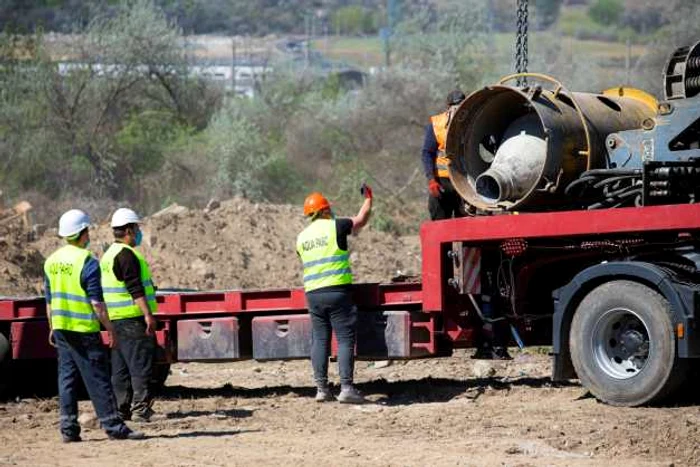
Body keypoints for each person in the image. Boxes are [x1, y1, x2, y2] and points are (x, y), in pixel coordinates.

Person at [44, 209, 143, 442]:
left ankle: (68, 429)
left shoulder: (51, 262)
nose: (88, 235)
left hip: (61, 327)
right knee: (97, 378)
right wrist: (110, 329)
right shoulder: (87, 262)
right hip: (84, 329)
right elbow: (97, 304)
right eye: (87, 230)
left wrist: (51, 326)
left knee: (66, 378)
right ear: (81, 233)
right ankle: (114, 427)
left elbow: (49, 300)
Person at [295, 185, 373, 404]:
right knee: (345, 339)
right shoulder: (335, 226)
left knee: (320, 339)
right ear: (325, 210)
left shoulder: (301, 237)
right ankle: (346, 388)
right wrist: (368, 199)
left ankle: (321, 389)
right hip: (337, 291)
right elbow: (360, 220)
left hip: (313, 294)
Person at [100, 208, 158, 422]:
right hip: (132, 318)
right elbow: (135, 289)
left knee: (121, 368)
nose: (139, 232)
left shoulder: (108, 255)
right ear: (129, 230)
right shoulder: (127, 255)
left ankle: (121, 409)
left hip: (116, 318)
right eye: (137, 228)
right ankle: (141, 410)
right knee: (140, 365)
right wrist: (148, 315)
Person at [422, 89, 467, 220]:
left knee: (468, 227)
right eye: (455, 106)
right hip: (442, 183)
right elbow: (427, 153)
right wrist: (431, 180)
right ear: (448, 107)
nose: (457, 110)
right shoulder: (437, 124)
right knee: (440, 226)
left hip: (465, 183)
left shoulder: (473, 121)